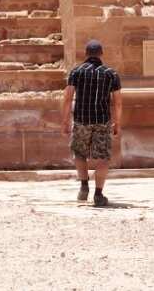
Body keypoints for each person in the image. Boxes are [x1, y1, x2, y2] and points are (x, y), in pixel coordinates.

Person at [61, 39, 122, 207]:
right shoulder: (111, 74)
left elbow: (68, 98)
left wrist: (65, 121)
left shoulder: (76, 72)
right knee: (103, 158)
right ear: (101, 54)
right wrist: (117, 123)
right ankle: (98, 194)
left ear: (86, 54)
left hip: (81, 120)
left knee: (79, 153)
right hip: (102, 121)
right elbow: (117, 102)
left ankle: (84, 185)